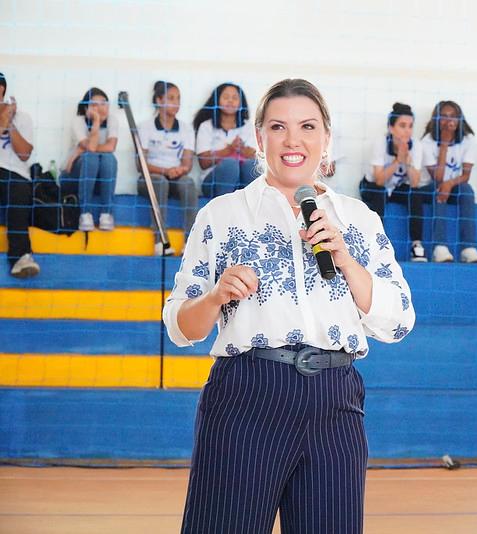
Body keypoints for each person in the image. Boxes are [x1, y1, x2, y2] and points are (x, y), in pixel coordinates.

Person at [163, 78, 415, 533]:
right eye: (278, 126)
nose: (293, 140)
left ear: (326, 138)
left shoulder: (359, 219)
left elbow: (398, 321)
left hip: (335, 400)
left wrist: (345, 260)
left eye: (307, 126)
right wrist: (216, 295)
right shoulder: (221, 216)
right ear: (260, 137)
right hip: (247, 397)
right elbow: (182, 327)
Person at [360, 102, 433, 261]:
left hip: (396, 188)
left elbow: (415, 182)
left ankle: (417, 245)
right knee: (378, 192)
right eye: (402, 125)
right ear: (391, 128)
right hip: (373, 187)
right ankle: (376, 244)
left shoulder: (417, 146)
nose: (407, 130)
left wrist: (406, 161)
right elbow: (379, 180)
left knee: (415, 193)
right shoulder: (380, 142)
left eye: (410, 126)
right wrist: (397, 161)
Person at [136, 81, 198, 256]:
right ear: (158, 100)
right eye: (171, 98)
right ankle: (160, 242)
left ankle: (190, 244)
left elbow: (187, 163)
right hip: (151, 178)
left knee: (188, 183)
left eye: (178, 98)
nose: (176, 102)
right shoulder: (146, 127)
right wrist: (164, 171)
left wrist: (179, 170)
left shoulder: (186, 129)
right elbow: (141, 165)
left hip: (175, 176)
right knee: (160, 182)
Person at [420, 100, 477, 263]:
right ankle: (439, 247)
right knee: (438, 188)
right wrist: (445, 145)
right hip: (428, 188)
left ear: (460, 119)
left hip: (453, 186)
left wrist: (449, 184)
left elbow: (465, 175)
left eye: (453, 117)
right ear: (436, 120)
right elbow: (438, 178)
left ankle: (469, 248)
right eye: (444, 117)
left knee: (467, 190)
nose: (449, 121)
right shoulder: (427, 141)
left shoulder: (468, 140)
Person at [62, 87, 119, 232]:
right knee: (90, 157)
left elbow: (111, 146)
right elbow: (92, 149)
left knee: (109, 159)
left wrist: (82, 149)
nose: (100, 108)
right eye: (94, 104)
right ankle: (85, 214)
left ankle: (106, 214)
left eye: (103, 103)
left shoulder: (112, 120)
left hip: (99, 178)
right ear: (86, 107)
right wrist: (96, 122)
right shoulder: (78, 121)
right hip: (73, 176)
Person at [0, 72, 39, 277]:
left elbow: (24, 154)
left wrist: (9, 123)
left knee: (17, 188)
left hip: (15, 176)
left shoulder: (22, 117)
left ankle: (21, 258)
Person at [193, 83, 257, 198]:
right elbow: (204, 163)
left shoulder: (248, 126)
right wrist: (229, 149)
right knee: (230, 164)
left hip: (241, 182)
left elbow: (255, 157)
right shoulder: (206, 126)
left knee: (251, 165)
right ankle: (223, 209)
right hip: (211, 182)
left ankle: (253, 207)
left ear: (241, 102)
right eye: (226, 97)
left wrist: (241, 149)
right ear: (217, 100)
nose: (230, 101)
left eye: (235, 98)